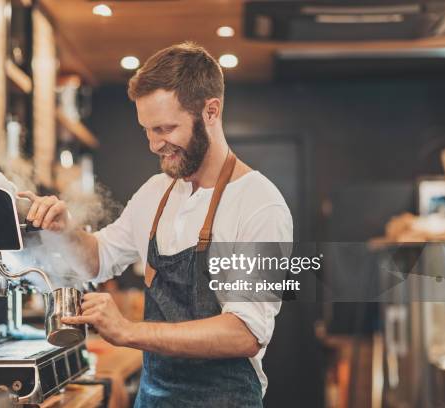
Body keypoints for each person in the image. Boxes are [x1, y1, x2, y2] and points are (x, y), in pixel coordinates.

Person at [18, 42, 292, 407]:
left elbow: (245, 334)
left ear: (211, 111)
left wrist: (131, 332)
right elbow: (97, 259)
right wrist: (63, 230)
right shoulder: (156, 193)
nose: (154, 144)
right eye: (147, 130)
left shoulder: (260, 204)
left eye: (165, 128)